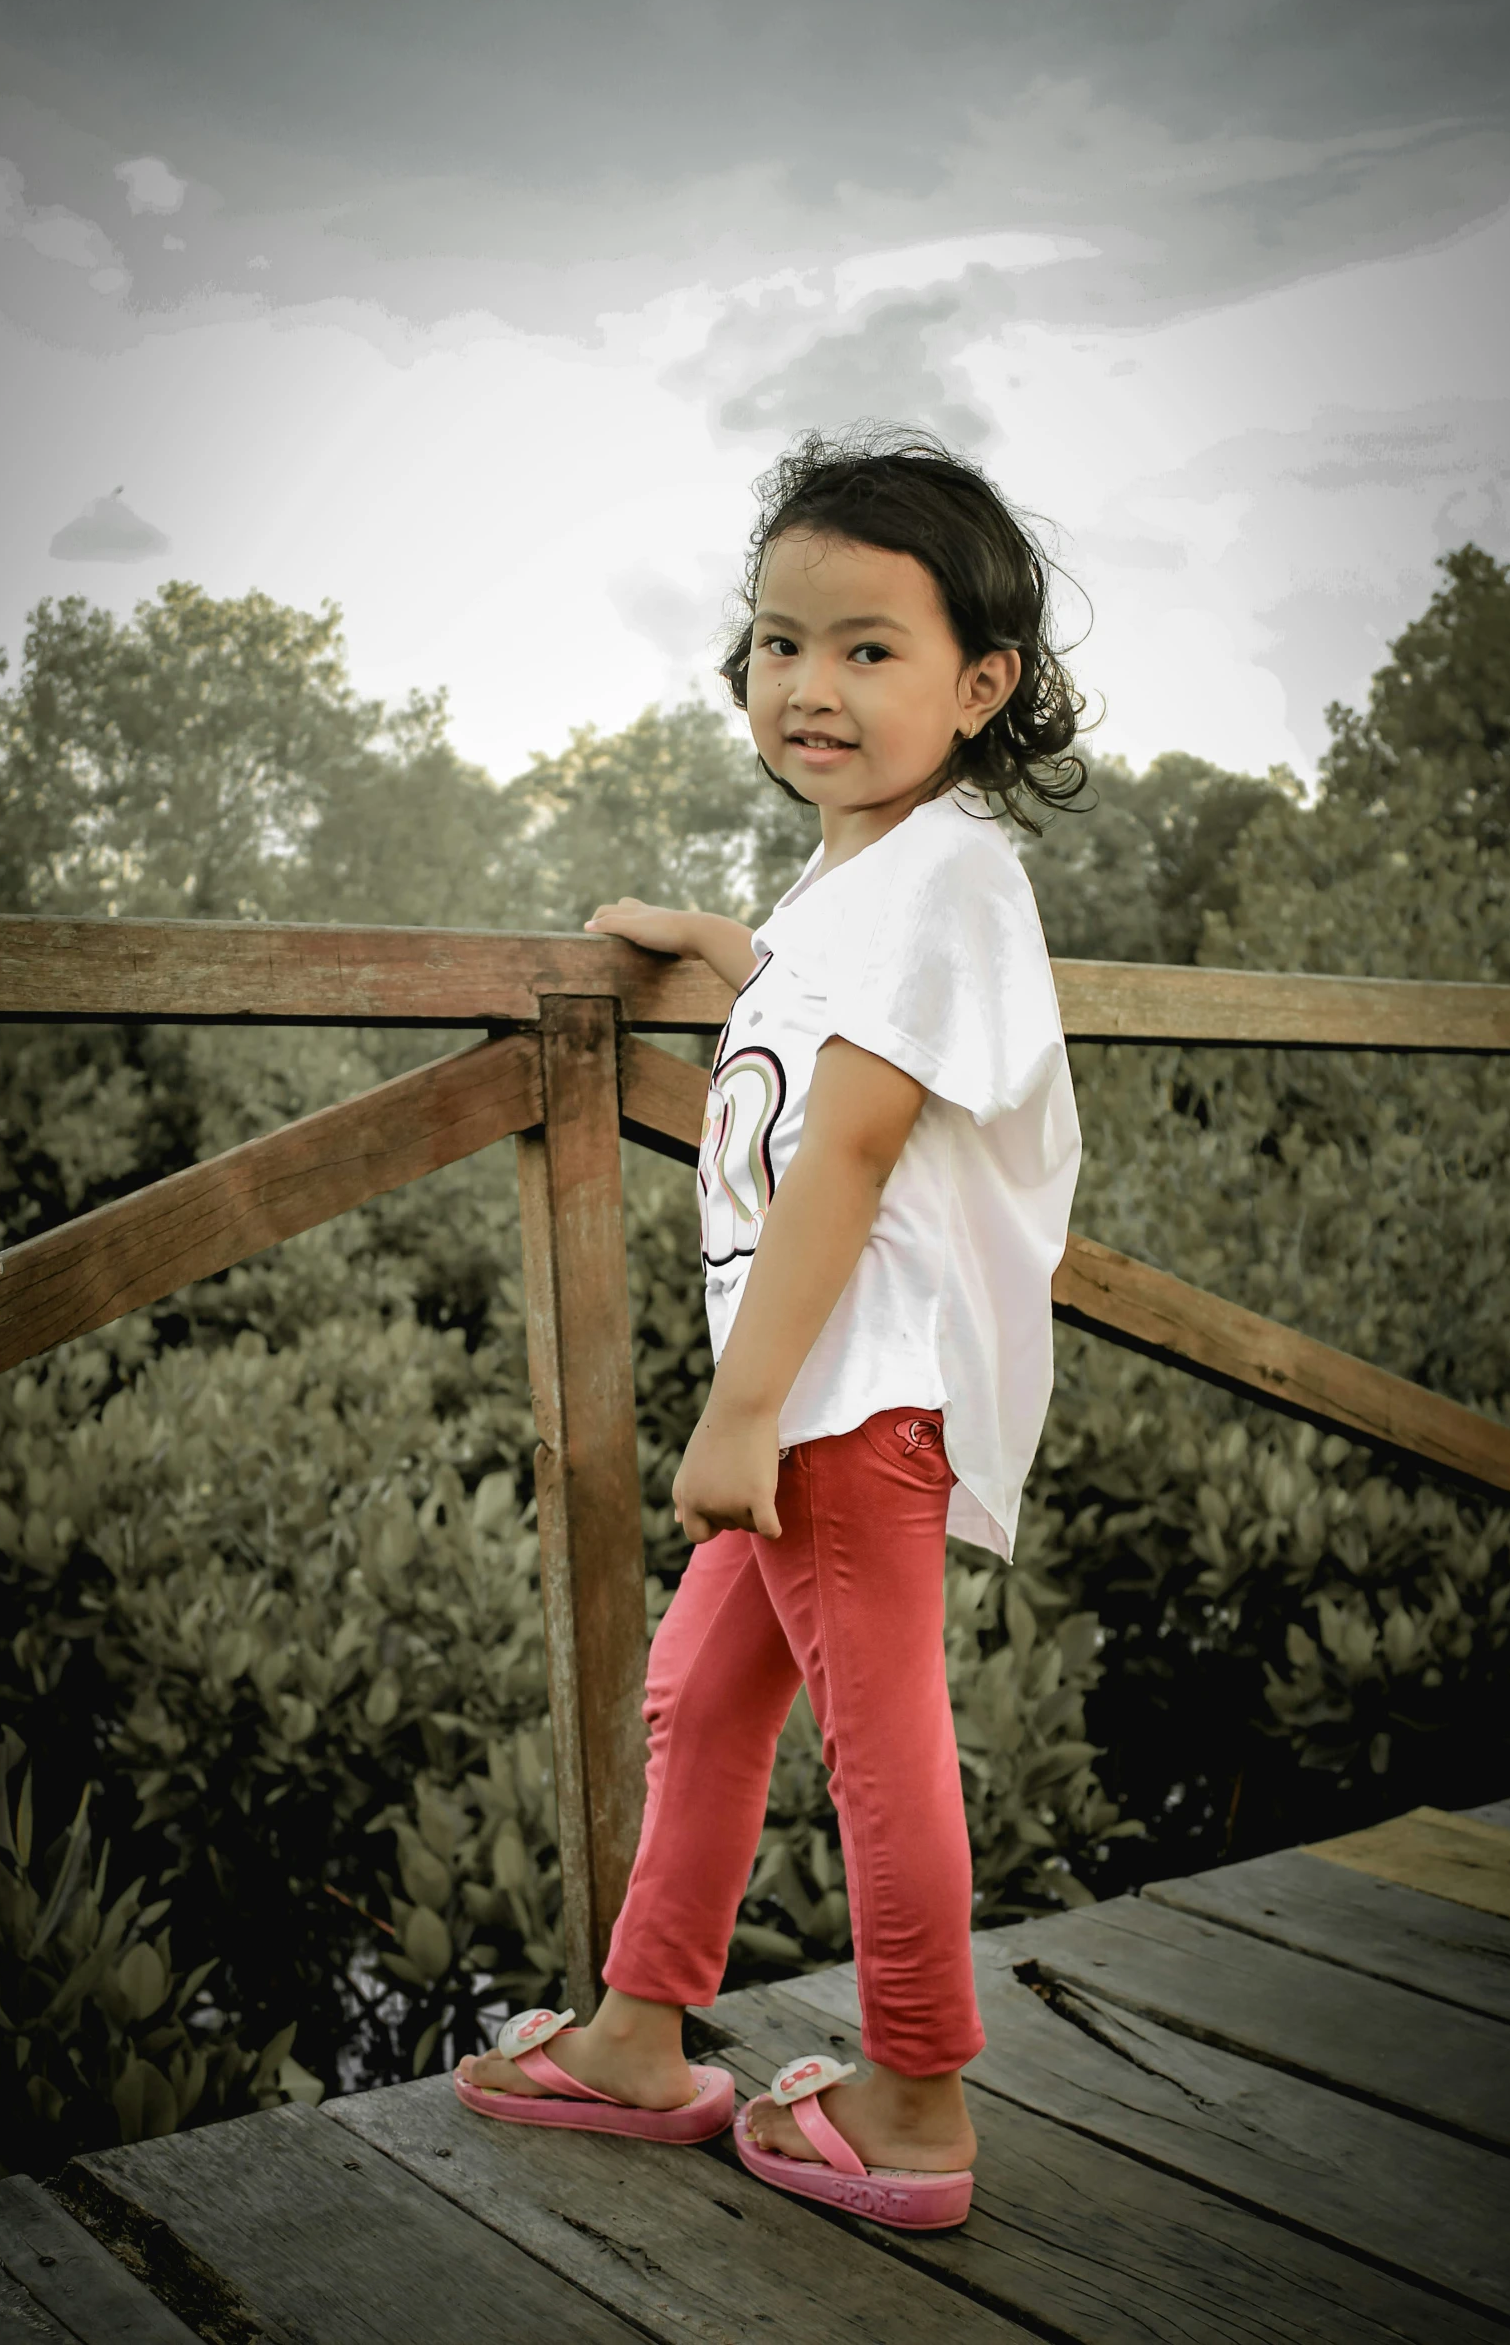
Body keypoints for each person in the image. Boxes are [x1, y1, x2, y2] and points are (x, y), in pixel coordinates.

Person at [455, 426, 1086, 2232]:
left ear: (982, 686)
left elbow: (853, 1149)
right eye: (777, 643)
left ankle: (912, 2098)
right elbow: (813, 1013)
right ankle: (641, 2035)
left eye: (869, 650)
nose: (811, 686)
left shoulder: (953, 874)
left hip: (837, 1396)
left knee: (877, 1734)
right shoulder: (862, 886)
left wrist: (737, 1417)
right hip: (821, 1390)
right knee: (699, 1687)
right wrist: (707, 941)